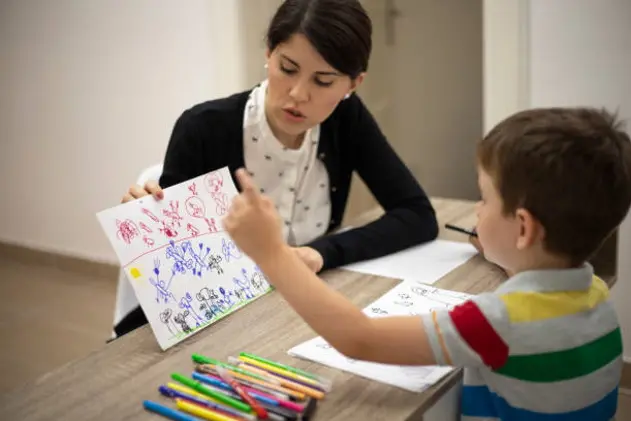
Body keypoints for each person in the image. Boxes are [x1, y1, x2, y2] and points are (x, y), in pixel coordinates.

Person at [224, 107, 631, 420]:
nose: (477, 210)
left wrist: (271, 254)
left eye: (484, 200)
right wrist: (505, 250)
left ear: (523, 229)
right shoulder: (594, 294)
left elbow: (358, 338)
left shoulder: (496, 323)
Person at [113, 0, 439, 337]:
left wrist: (320, 254)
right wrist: (150, 228)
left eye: (323, 81)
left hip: (294, 313)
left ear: (353, 84)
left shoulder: (346, 119)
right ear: (269, 53)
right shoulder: (203, 128)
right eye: (287, 68)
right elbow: (177, 281)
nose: (298, 94)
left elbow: (417, 214)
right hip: (216, 322)